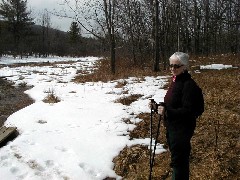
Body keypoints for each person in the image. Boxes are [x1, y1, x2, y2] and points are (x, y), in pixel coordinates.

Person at [150, 52, 201, 180]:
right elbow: (172, 104)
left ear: (184, 67)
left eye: (176, 66)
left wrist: (168, 111)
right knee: (177, 160)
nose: (172, 68)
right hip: (173, 128)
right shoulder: (176, 81)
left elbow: (189, 111)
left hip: (182, 130)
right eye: (171, 65)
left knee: (179, 163)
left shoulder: (188, 85)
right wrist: (157, 107)